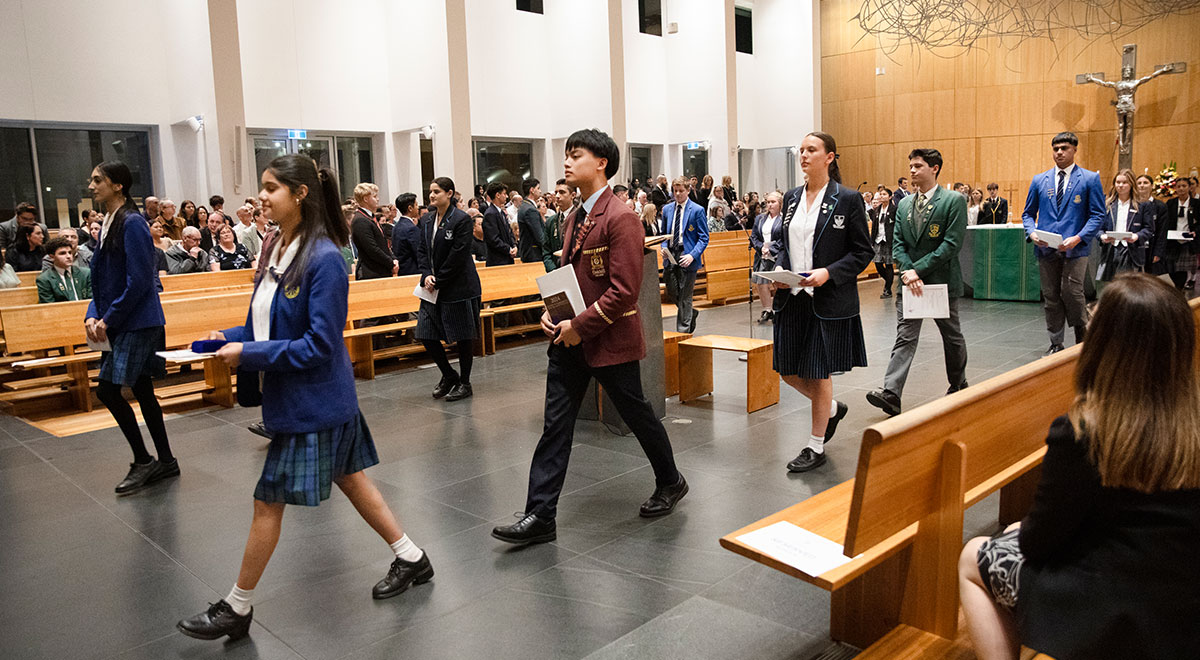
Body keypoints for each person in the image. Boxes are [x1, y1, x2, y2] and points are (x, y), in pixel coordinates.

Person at [176, 155, 432, 642]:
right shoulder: (276, 245)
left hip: (315, 401)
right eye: (262, 188)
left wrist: (247, 352)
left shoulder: (325, 257)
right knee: (352, 481)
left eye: (272, 188)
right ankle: (413, 557)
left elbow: (320, 343)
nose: (261, 197)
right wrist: (223, 336)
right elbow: (266, 323)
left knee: (267, 502)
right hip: (305, 398)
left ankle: (237, 605)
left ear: (299, 194)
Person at [959, 273, 1200, 660]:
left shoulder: (1084, 431)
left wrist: (1022, 528)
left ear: (1103, 345)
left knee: (974, 556)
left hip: (1110, 609)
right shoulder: (1193, 424)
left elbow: (1039, 542)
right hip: (1184, 605)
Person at [492, 129, 687, 546]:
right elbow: (573, 281)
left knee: (637, 414)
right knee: (555, 425)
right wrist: (553, 313)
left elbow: (623, 291)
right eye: (565, 155)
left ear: (601, 163)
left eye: (574, 155)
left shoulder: (621, 217)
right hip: (570, 340)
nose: (566, 162)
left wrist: (577, 326)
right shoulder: (574, 217)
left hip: (607, 340)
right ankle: (540, 514)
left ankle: (670, 480)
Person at [771, 132, 873, 473]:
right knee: (787, 370)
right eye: (801, 150)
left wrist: (829, 272)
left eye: (811, 150)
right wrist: (778, 269)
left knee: (819, 370)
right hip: (793, 296)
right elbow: (786, 244)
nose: (803, 155)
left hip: (826, 299)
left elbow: (862, 252)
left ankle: (815, 445)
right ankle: (830, 409)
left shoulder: (847, 199)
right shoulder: (790, 197)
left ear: (830, 157)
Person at [85, 161, 177, 495]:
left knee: (108, 390)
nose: (91, 185)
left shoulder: (133, 222)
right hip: (124, 321)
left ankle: (144, 460)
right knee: (141, 389)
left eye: (98, 180)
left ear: (118, 185)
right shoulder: (109, 221)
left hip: (138, 322)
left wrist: (109, 318)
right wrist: (92, 313)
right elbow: (100, 280)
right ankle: (166, 460)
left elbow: (140, 281)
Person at [867, 148, 968, 418]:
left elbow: (951, 245)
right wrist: (908, 271)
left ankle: (958, 382)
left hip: (940, 282)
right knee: (905, 336)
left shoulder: (953, 200)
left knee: (952, 337)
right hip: (910, 284)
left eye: (918, 166)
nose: (912, 170)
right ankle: (891, 392)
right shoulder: (904, 204)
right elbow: (897, 243)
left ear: (934, 168)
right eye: (910, 166)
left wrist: (917, 270)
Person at [1021, 132, 1106, 355]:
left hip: (1076, 247)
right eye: (1056, 148)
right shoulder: (1040, 180)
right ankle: (1056, 342)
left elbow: (1097, 215)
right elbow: (1028, 214)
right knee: (1050, 295)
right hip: (1045, 247)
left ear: (1074, 150)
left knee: (1072, 291)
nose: (1059, 152)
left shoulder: (1089, 179)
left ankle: (1082, 337)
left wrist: (1078, 237)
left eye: (1064, 148)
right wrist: (1031, 233)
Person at [415, 177, 480, 402]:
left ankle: (465, 382)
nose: (432, 195)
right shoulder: (426, 220)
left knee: (463, 336)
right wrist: (426, 276)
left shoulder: (461, 219)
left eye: (437, 191)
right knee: (425, 332)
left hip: (458, 286)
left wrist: (439, 279)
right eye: (430, 191)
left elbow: (458, 255)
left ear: (449, 194)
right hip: (432, 286)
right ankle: (448, 375)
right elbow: (422, 251)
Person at [660, 175, 709, 333]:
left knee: (685, 295)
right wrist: (663, 247)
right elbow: (663, 234)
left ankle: (683, 332)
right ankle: (691, 313)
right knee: (673, 292)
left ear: (688, 190)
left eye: (681, 191)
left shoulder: (697, 210)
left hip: (687, 255)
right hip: (671, 254)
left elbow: (703, 238)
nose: (678, 194)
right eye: (675, 191)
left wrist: (692, 255)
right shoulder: (667, 209)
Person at [1096, 169, 1153, 283]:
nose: (1120, 185)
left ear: (1131, 184)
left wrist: (1136, 237)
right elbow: (1098, 228)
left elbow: (1149, 229)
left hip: (1131, 250)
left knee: (1128, 286)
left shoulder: (1143, 204)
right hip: (1111, 250)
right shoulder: (1107, 204)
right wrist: (1102, 237)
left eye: (1124, 182)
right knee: (1109, 286)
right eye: (1118, 182)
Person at [349, 182, 396, 279]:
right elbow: (372, 249)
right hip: (370, 272)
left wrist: (393, 259)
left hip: (380, 270)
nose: (378, 199)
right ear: (366, 199)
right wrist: (391, 263)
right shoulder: (360, 220)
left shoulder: (370, 217)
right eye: (375, 196)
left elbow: (382, 244)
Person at [750, 191, 784, 321]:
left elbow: (784, 238)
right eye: (768, 202)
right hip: (762, 255)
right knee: (761, 282)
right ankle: (767, 309)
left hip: (777, 255)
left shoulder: (784, 218)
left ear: (780, 204)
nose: (769, 205)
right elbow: (754, 237)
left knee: (777, 283)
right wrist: (761, 248)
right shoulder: (760, 218)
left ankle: (778, 309)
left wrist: (772, 249)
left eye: (773, 202)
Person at [1159, 178, 1198, 290]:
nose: (1181, 188)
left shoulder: (1196, 204)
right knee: (1171, 268)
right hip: (1172, 240)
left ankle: (1180, 290)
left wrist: (1195, 231)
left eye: (1184, 186)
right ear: (1175, 188)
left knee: (1182, 269)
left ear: (1189, 187)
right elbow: (1165, 221)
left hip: (1188, 241)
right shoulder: (1171, 203)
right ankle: (1175, 288)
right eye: (1179, 186)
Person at [36, 237, 92, 303]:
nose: (68, 256)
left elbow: (92, 299)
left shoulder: (86, 273)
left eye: (70, 252)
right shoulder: (44, 279)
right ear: (51, 257)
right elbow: (49, 307)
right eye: (62, 253)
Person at [1136, 173, 1167, 274]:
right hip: (1135, 246)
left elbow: (1162, 231)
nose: (1142, 185)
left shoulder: (1160, 206)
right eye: (1139, 183)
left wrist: (1158, 252)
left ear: (1152, 186)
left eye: (1145, 183)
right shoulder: (1133, 204)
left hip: (1152, 247)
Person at [869, 187, 897, 298]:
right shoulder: (876, 210)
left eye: (884, 194)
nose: (882, 196)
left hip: (889, 240)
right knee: (878, 264)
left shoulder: (894, 209)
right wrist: (871, 241)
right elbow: (875, 226)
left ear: (890, 197)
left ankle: (888, 289)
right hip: (878, 240)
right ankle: (889, 281)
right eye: (880, 194)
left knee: (889, 264)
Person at [482, 182, 516, 265]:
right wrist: (508, 249)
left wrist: (514, 246)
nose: (507, 196)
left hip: (507, 258)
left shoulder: (501, 212)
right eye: (504, 194)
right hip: (498, 260)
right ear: (497, 195)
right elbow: (493, 239)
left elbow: (509, 232)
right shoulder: (490, 214)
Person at [542, 179, 573, 271]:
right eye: (556, 192)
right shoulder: (550, 221)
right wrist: (553, 270)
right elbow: (546, 252)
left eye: (562, 192)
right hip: (556, 271)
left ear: (573, 195)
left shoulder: (582, 219)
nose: (558, 196)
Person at [391, 193, 423, 276]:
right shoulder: (411, 228)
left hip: (402, 270)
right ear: (410, 208)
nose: (418, 207)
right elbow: (418, 252)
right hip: (413, 271)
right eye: (416, 205)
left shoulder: (396, 226)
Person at [517, 178, 545, 263]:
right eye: (538, 188)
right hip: (534, 254)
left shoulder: (525, 205)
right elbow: (539, 236)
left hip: (528, 253)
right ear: (532, 190)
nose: (540, 191)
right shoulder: (530, 209)